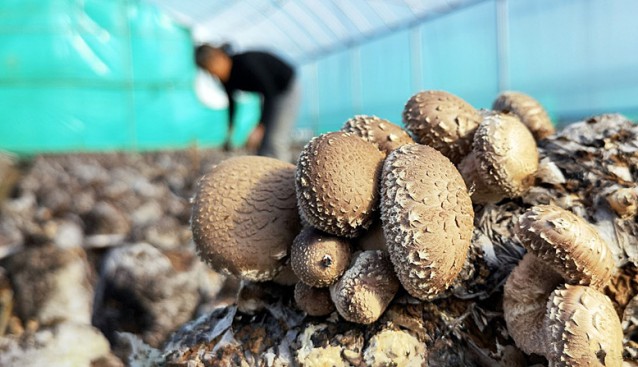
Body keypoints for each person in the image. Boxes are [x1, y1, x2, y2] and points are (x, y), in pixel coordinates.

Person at [195, 44, 300, 162]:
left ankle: (285, 175)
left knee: (274, 140)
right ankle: (267, 174)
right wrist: (230, 129)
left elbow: (268, 93)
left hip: (284, 88)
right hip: (272, 95)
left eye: (214, 67)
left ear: (221, 57)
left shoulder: (246, 64)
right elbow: (232, 103)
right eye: (211, 72)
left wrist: (260, 126)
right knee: (263, 145)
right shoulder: (226, 79)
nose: (215, 73)